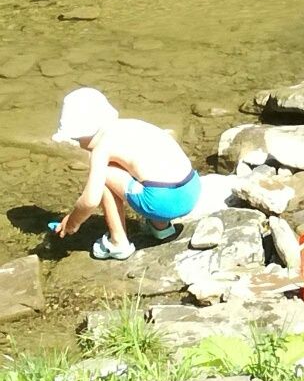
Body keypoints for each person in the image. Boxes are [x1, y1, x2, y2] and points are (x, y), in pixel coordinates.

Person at [50, 88, 201, 261]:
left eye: (77, 139)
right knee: (139, 168)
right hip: (191, 188)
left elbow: (90, 201)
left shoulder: (101, 148)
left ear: (84, 132)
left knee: (104, 175)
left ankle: (118, 242)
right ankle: (161, 227)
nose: (78, 144)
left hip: (164, 201)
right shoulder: (131, 125)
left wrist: (72, 222)